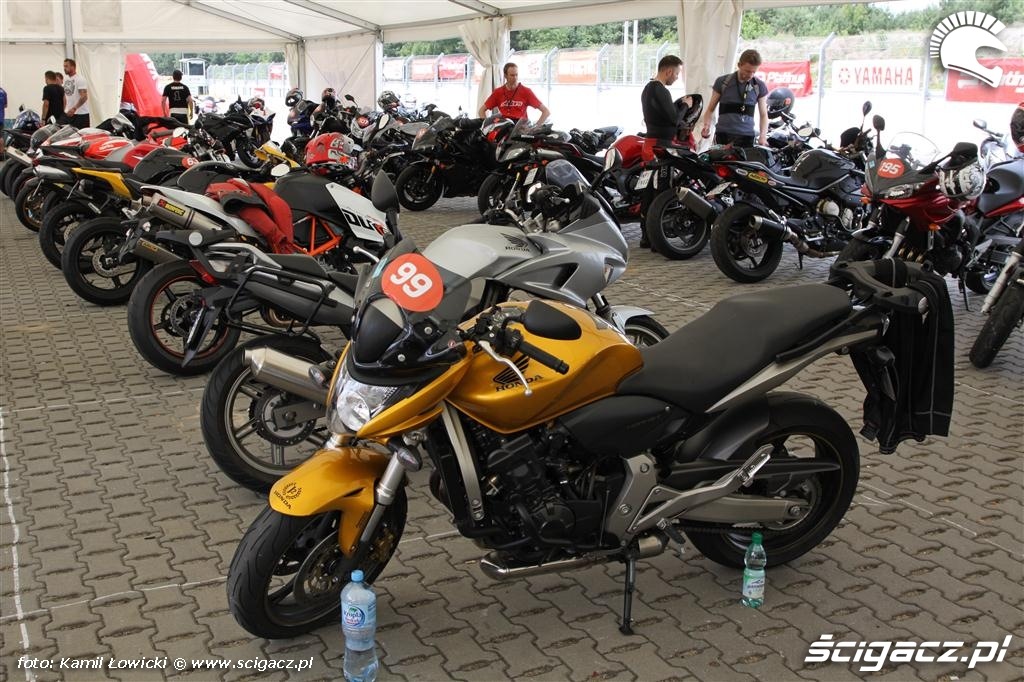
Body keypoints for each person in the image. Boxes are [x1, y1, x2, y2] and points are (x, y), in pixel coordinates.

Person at [637, 54, 684, 248]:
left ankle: (646, 236)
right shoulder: (661, 90)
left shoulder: (648, 89)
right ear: (669, 71)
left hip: (650, 145)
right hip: (660, 147)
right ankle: (656, 237)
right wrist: (685, 106)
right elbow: (673, 118)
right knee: (660, 193)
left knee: (648, 192)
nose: (677, 78)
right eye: (677, 73)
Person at [700, 49, 768, 147]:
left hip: (747, 137)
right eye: (747, 71)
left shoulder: (759, 86)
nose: (750, 75)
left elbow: (764, 114)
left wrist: (763, 136)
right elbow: (710, 109)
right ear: (739, 65)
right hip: (723, 135)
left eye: (754, 72)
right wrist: (707, 126)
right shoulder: (722, 82)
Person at [478, 63, 549, 125]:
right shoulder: (498, 92)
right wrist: (488, 126)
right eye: (512, 75)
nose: (515, 78)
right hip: (505, 126)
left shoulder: (526, 91)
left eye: (516, 75)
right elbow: (481, 111)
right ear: (505, 76)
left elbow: (546, 111)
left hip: (520, 128)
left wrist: (535, 128)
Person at [63, 58, 90, 128]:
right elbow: (66, 96)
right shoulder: (65, 79)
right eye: (64, 66)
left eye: (66, 66)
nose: (64, 68)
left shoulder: (80, 79)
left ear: (73, 67)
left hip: (81, 114)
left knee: (80, 134)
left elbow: (84, 97)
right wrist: (65, 109)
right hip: (69, 114)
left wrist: (74, 108)